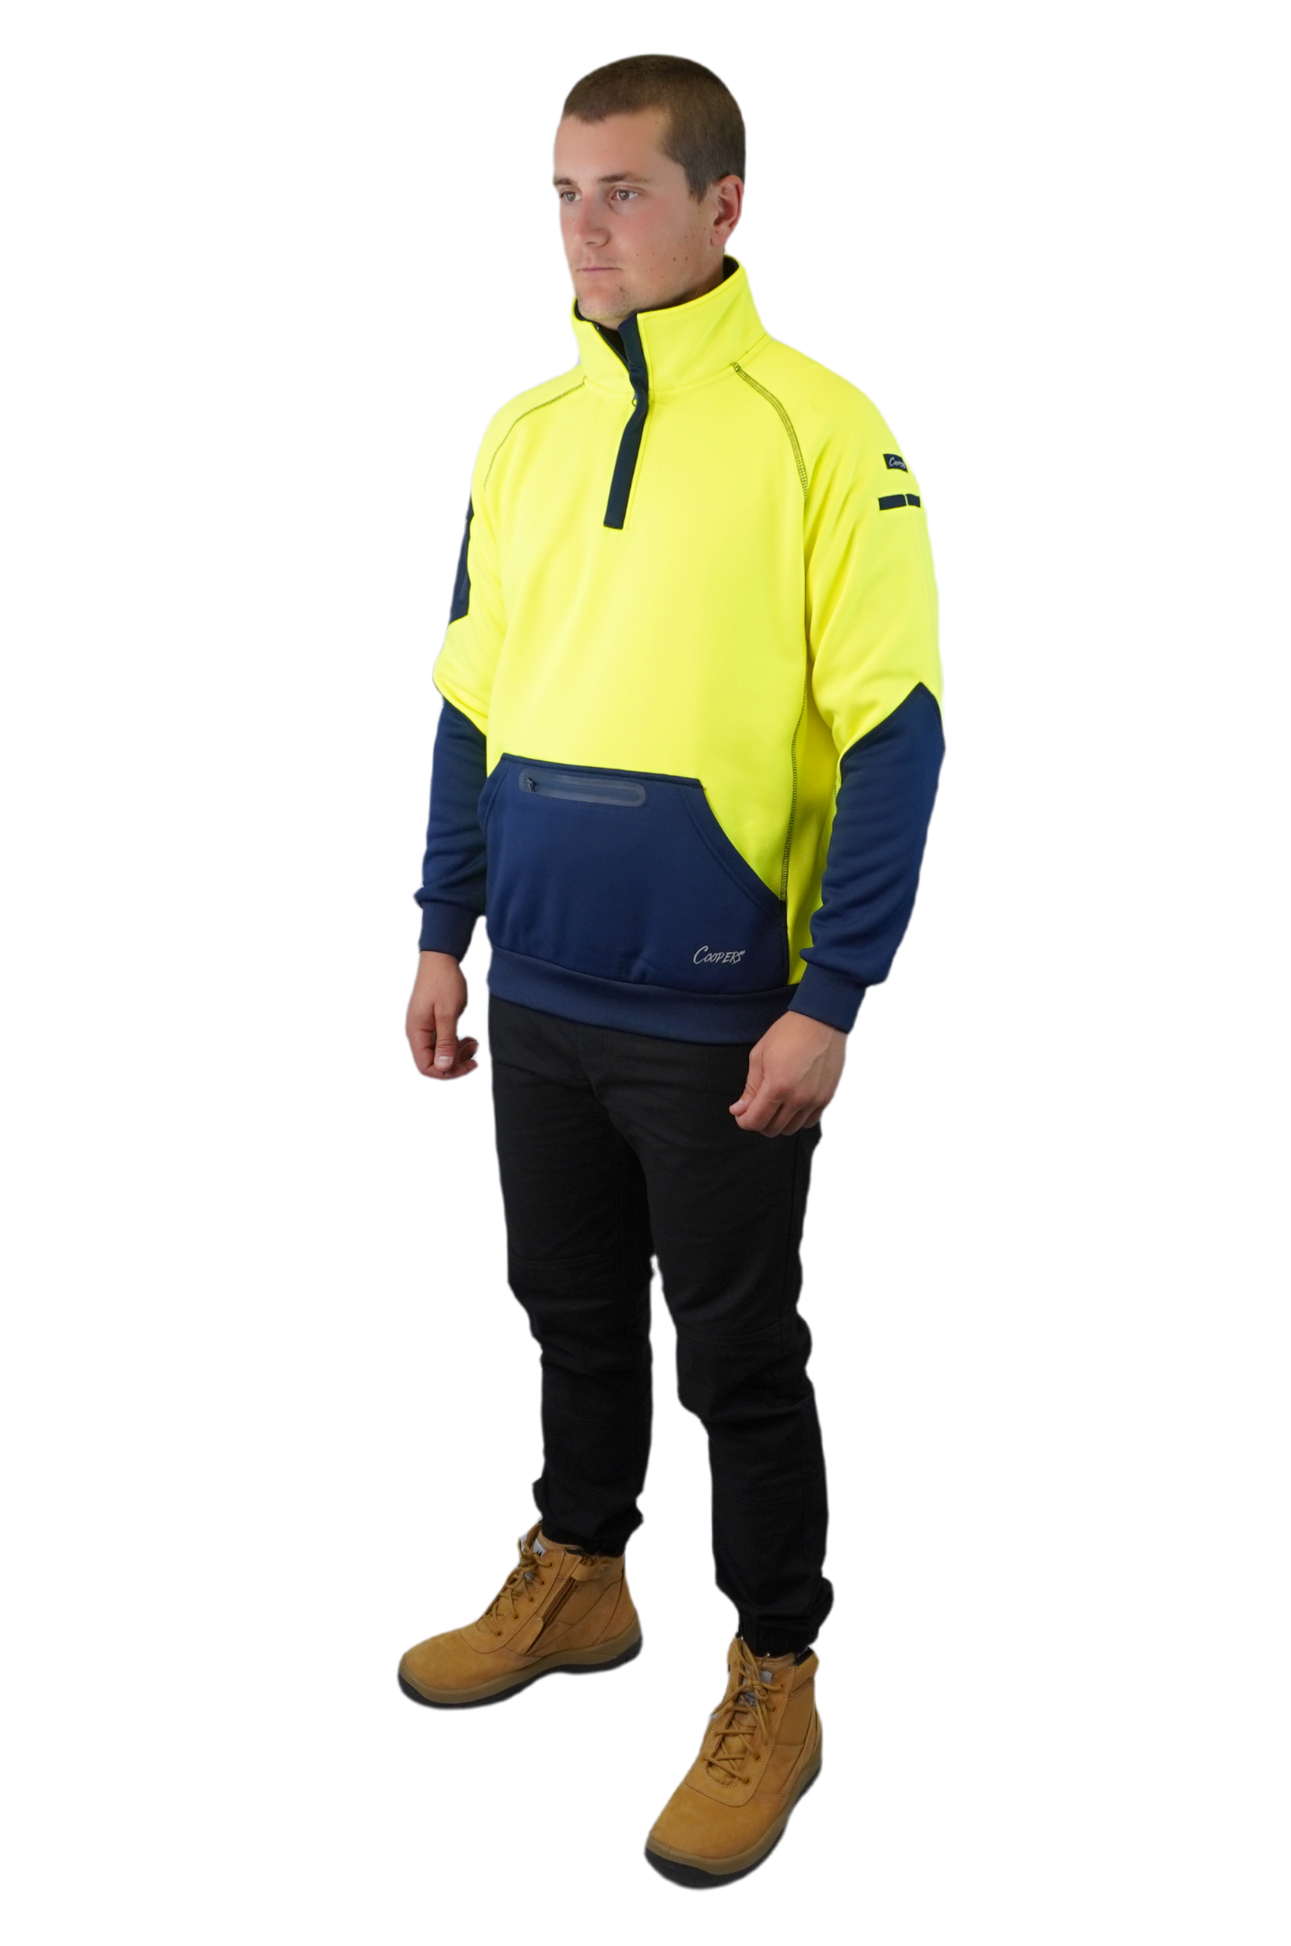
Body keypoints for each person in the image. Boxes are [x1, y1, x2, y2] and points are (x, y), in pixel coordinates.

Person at [392, 52, 947, 1893]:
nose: (584, 226)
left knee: (734, 1350)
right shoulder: (521, 434)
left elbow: (897, 730)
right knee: (560, 1302)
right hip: (540, 977)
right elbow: (470, 700)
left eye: (622, 190)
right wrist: (442, 927)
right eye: (563, 193)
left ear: (724, 204)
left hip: (723, 999)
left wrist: (832, 991)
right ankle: (579, 1571)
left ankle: (776, 1669)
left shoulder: (824, 431)